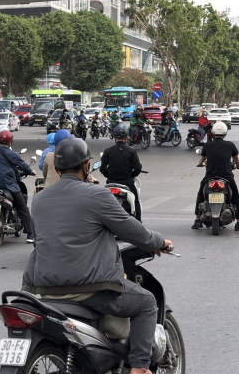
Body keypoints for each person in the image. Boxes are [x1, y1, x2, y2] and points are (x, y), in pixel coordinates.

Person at [22, 137, 172, 374]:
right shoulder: (96, 195)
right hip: (90, 290)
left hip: (44, 289)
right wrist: (159, 242)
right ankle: (140, 368)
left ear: (57, 168)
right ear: (86, 166)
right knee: (146, 303)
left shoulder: (39, 200)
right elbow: (131, 229)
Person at [0, 130, 36, 243]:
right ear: (10, 142)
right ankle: (30, 234)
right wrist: (31, 171)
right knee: (23, 208)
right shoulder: (13, 154)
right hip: (9, 187)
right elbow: (24, 167)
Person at [192, 122, 239, 231]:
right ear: (225, 133)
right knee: (236, 196)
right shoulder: (230, 145)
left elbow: (201, 160)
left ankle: (197, 220)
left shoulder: (207, 145)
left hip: (209, 177)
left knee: (200, 195)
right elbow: (236, 160)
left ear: (213, 132)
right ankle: (238, 222)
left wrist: (200, 164)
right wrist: (237, 166)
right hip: (227, 177)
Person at [100, 124, 144, 221]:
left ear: (114, 137)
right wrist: (131, 176)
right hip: (127, 182)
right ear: (126, 136)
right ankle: (139, 224)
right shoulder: (131, 151)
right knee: (136, 202)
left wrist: (110, 176)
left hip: (111, 182)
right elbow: (137, 168)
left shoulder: (108, 151)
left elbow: (102, 168)